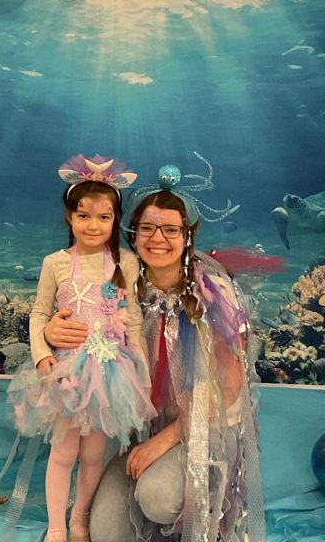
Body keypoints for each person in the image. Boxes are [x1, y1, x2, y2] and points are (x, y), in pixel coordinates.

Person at [44, 173, 266, 542]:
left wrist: (164, 441)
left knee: (157, 499)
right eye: (147, 227)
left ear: (188, 235)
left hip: (201, 431)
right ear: (132, 233)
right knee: (105, 532)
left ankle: (196, 502)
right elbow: (80, 311)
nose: (157, 238)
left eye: (171, 229)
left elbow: (229, 385)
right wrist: (51, 330)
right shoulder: (125, 280)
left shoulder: (212, 291)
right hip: (147, 429)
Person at [7, 154, 156, 542]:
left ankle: (80, 519)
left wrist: (141, 367)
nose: (93, 225)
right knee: (62, 452)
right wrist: (42, 354)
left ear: (115, 220)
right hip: (68, 373)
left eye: (104, 217)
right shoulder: (55, 263)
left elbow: (133, 319)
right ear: (69, 218)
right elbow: (39, 313)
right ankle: (57, 527)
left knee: (93, 455)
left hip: (111, 376)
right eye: (83, 215)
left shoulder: (126, 262)